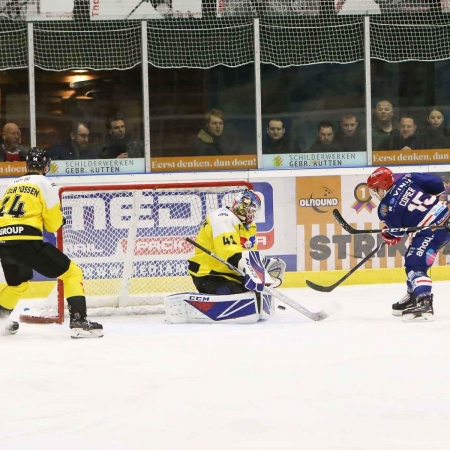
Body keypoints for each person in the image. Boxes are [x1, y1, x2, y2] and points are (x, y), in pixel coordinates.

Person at [0, 148, 103, 338]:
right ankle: (79, 321)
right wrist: (60, 219)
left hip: (4, 241)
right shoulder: (44, 183)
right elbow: (53, 224)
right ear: (45, 166)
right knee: (73, 272)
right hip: (27, 241)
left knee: (18, 284)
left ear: (27, 165)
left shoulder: (12, 185)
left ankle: (0, 321)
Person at [366, 166, 450, 321]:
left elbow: (397, 232)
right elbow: (438, 184)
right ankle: (413, 295)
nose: (375, 193)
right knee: (412, 257)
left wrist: (388, 234)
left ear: (382, 186)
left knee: (415, 265)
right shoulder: (408, 178)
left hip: (430, 230)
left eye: (375, 189)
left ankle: (424, 302)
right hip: (445, 219)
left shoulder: (385, 207)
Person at [188, 189, 285, 296]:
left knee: (257, 295)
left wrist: (264, 265)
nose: (251, 214)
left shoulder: (250, 225)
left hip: (233, 274)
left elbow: (250, 254)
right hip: (209, 274)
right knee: (237, 297)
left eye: (254, 212)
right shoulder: (222, 218)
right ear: (242, 206)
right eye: (250, 210)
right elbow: (230, 254)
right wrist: (253, 270)